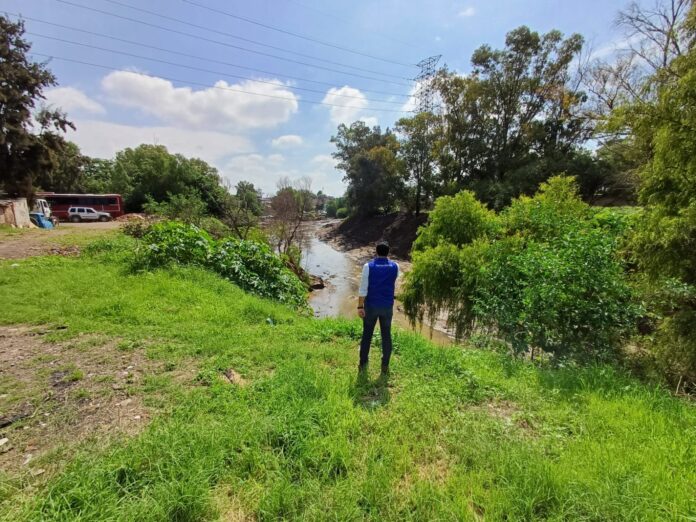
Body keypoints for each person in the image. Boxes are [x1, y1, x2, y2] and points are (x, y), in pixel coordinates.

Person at [357, 240, 399, 374]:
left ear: (376, 252)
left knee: (367, 335)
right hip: (387, 307)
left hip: (371, 306)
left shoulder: (368, 266)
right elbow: (393, 281)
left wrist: (360, 306)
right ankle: (385, 365)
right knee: (386, 335)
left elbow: (363, 288)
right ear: (388, 252)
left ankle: (363, 363)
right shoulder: (395, 266)